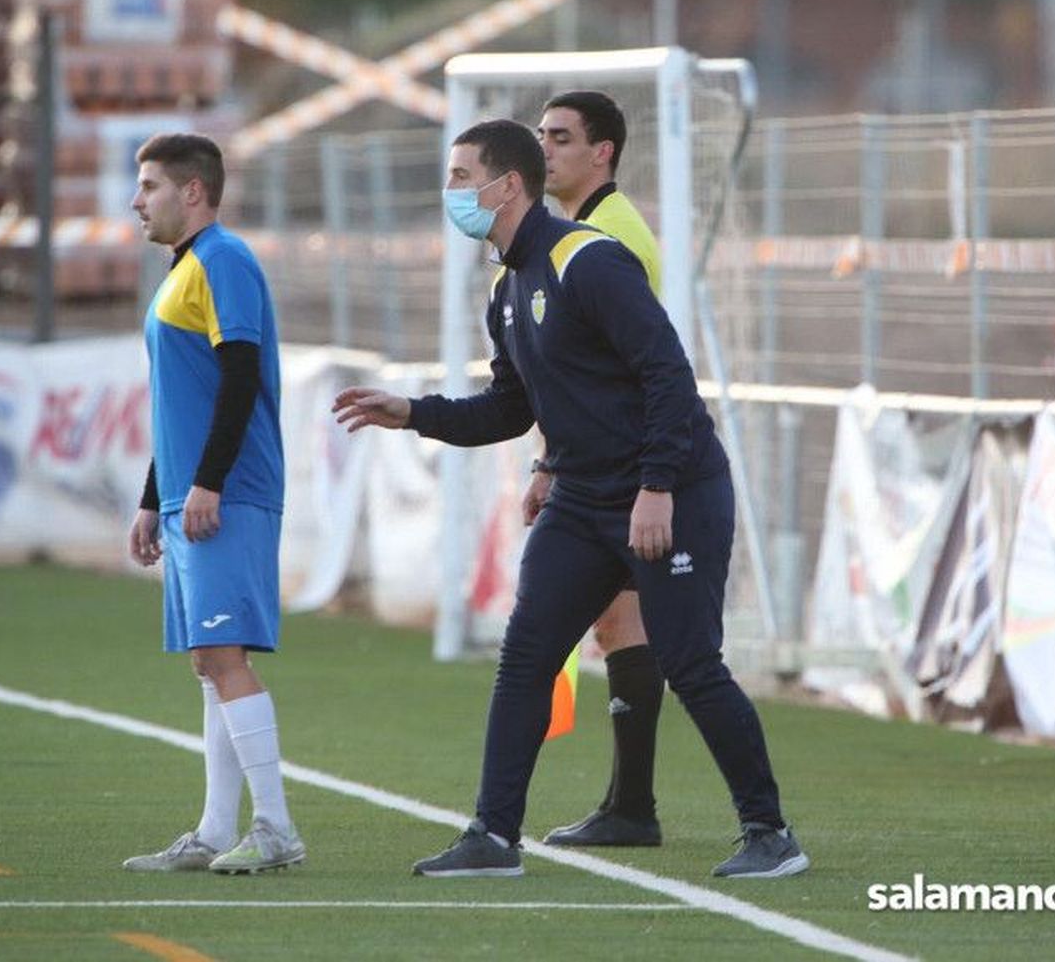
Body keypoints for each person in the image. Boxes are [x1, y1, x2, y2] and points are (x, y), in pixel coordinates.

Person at [333, 119, 809, 879]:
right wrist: (414, 412)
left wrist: (657, 487)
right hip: (583, 500)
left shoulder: (590, 260)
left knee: (690, 661)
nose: (450, 192)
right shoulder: (506, 287)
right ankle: (493, 837)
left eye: (461, 177)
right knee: (525, 654)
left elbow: (667, 374)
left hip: (674, 490)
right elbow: (509, 409)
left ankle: (770, 832)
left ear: (507, 186)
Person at [121, 132, 305, 875]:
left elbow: (239, 377)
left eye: (150, 185)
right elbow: (186, 398)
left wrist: (210, 482)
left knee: (224, 655)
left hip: (229, 491)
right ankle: (212, 829)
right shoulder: (185, 269)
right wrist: (152, 498)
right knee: (209, 658)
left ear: (193, 191)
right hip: (191, 492)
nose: (137, 200)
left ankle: (276, 827)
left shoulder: (222, 259)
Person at [531, 91, 665, 848]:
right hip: (600, 462)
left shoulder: (610, 238)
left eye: (560, 137)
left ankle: (634, 807)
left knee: (634, 627)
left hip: (627, 466)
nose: (544, 149)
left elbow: (621, 369)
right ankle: (628, 803)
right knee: (618, 624)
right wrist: (548, 459)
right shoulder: (574, 233)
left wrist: (647, 475)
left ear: (602, 152)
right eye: (540, 135)